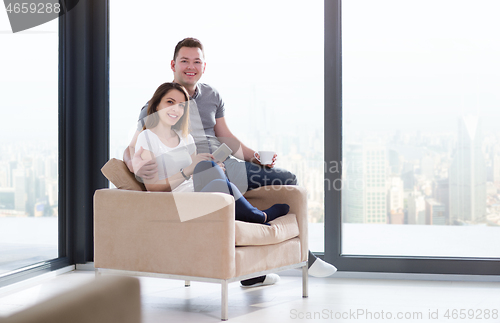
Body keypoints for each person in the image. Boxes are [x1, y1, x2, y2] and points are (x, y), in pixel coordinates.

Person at [124, 38, 336, 285]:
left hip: (227, 165)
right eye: (184, 61)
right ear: (173, 64)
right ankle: (298, 257)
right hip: (199, 173)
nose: (190, 66)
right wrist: (133, 165)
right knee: (210, 170)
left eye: (197, 61)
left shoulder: (212, 95)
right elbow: (134, 148)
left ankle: (266, 268)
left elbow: (226, 136)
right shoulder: (158, 104)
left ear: (204, 66)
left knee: (287, 179)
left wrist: (254, 156)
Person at [136, 82, 289, 287]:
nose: (176, 109)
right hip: (174, 203)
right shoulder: (147, 138)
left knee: (211, 169)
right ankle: (258, 216)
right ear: (156, 106)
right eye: (170, 102)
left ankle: (256, 219)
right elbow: (152, 188)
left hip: (196, 193)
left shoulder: (185, 137)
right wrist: (189, 169)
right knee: (205, 167)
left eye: (182, 105)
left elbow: (193, 176)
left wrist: (212, 169)